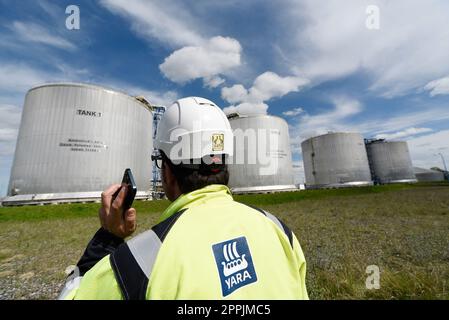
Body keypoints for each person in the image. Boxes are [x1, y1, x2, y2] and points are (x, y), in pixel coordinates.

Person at [58, 97, 308, 300]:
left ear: (166, 170)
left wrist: (107, 238)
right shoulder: (279, 230)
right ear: (223, 161)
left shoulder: (138, 261)